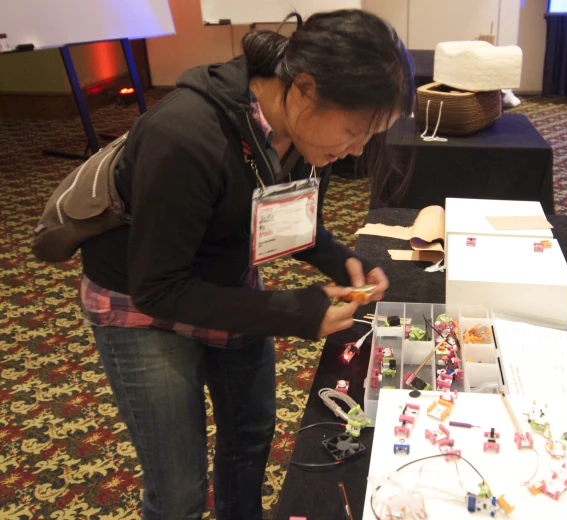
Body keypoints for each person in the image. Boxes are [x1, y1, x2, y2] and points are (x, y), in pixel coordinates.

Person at [78, 9, 414, 520]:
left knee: (250, 437)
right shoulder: (185, 135)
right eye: (353, 130)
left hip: (226, 280)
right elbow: (160, 289)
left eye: (371, 136)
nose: (356, 150)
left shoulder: (301, 133)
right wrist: (293, 312)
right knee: (178, 489)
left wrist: (342, 258)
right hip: (140, 302)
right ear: (303, 88)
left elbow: (283, 221)